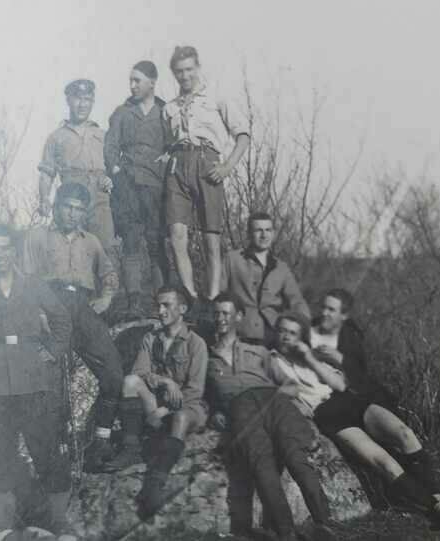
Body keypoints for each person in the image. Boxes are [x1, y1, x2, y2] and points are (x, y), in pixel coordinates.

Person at [278, 309, 440, 530]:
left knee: (404, 434)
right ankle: (436, 509)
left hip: (349, 401)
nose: (286, 336)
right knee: (383, 463)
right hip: (327, 415)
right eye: (282, 331)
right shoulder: (272, 361)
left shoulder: (312, 357)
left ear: (300, 336)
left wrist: (309, 358)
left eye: (292, 333)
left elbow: (340, 384)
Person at [0, 231, 75, 537]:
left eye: (4, 249)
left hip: (31, 378)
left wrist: (52, 352)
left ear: (13, 252)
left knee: (46, 450)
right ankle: (2, 527)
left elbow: (61, 320)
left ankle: (58, 520)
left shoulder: (33, 284)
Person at [206, 293, 337, 541]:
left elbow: (290, 385)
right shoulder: (207, 356)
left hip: (273, 400)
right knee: (261, 463)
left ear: (239, 317)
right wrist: (215, 412)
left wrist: (278, 398)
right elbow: (206, 396)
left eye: (225, 313)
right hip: (240, 407)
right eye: (216, 313)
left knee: (296, 458)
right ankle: (285, 532)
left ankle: (325, 525)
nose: (220, 318)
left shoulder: (258, 350)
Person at [21, 182, 125, 472]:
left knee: (114, 372)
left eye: (79, 209)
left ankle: (100, 443)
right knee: (52, 386)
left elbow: (109, 275)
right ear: (56, 206)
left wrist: (105, 299)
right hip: (50, 306)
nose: (72, 214)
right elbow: (27, 283)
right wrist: (39, 314)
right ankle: (51, 459)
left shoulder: (91, 241)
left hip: (82, 307)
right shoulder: (37, 237)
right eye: (67, 206)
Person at [101, 286, 209, 518]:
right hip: (156, 407)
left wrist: (165, 408)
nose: (160, 311)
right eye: (158, 305)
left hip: (186, 408)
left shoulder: (196, 343)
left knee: (180, 416)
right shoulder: (151, 338)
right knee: (129, 381)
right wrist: (164, 382)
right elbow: (139, 372)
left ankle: (154, 484)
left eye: (166, 305)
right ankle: (131, 449)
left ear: (182, 309)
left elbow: (195, 390)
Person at [164, 45, 251, 302]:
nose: (185, 76)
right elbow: (167, 142)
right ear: (174, 74)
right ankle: (190, 295)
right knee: (177, 235)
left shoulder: (216, 97)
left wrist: (226, 168)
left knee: (210, 238)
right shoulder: (169, 107)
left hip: (208, 163)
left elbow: (243, 136)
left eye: (189, 69)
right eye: (179, 71)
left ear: (198, 68)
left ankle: (213, 297)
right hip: (178, 166)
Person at [105, 60, 173, 317]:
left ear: (152, 83)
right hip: (128, 188)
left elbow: (175, 143)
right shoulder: (122, 112)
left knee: (157, 244)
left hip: (156, 187)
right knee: (131, 243)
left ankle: (162, 302)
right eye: (131, 80)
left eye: (138, 81)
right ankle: (134, 301)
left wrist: (168, 158)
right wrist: (117, 173)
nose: (132, 85)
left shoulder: (166, 112)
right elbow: (111, 148)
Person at [39, 78, 118, 263]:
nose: (82, 105)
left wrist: (109, 179)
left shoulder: (103, 135)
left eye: (87, 99)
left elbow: (114, 168)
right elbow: (46, 173)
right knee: (71, 249)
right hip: (71, 197)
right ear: (68, 100)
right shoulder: (56, 137)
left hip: (100, 197)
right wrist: (44, 199)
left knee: (106, 248)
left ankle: (108, 291)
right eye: (78, 99)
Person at [221, 212, 310, 345]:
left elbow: (296, 300)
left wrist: (306, 328)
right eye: (258, 230)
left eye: (268, 230)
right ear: (249, 234)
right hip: (239, 334)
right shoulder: (232, 259)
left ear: (273, 233)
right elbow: (219, 295)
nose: (264, 235)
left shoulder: (281, 267)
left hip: (271, 337)